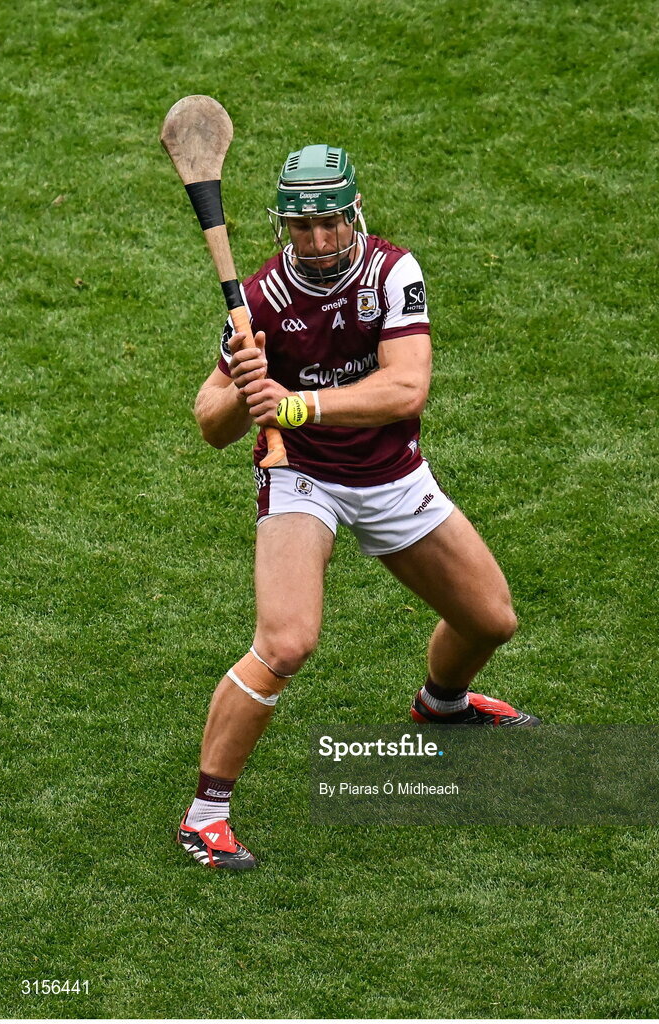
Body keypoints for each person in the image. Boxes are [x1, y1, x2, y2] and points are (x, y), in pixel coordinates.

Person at [177, 145, 539, 870]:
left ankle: (441, 703)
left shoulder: (392, 272)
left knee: (490, 619)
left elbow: (405, 390)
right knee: (285, 643)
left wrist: (295, 401)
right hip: (301, 480)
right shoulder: (260, 301)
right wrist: (246, 395)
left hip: (391, 472)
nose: (316, 242)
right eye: (301, 227)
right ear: (282, 228)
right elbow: (209, 423)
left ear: (354, 215)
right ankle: (204, 816)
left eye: (330, 224)